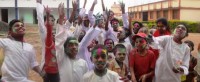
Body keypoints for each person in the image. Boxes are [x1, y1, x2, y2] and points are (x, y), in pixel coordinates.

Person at [55, 1, 88, 82]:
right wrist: (61, 18)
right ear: (65, 47)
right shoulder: (61, 58)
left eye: (76, 45)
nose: (74, 47)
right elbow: (59, 41)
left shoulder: (83, 63)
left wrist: (76, 10)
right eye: (70, 45)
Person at [36, 0, 59, 81]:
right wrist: (39, 4)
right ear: (45, 21)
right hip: (47, 68)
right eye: (49, 20)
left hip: (57, 67)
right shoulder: (44, 32)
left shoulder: (56, 33)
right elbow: (40, 18)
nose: (51, 22)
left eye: (52, 20)